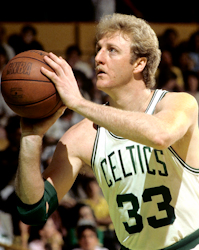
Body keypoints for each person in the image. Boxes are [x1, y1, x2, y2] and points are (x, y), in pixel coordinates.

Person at [15, 13, 199, 250]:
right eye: (98, 49)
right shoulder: (82, 136)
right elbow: (33, 210)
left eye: (112, 50)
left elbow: (159, 135)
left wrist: (79, 103)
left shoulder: (178, 104)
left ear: (139, 63)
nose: (98, 58)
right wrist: (31, 138)